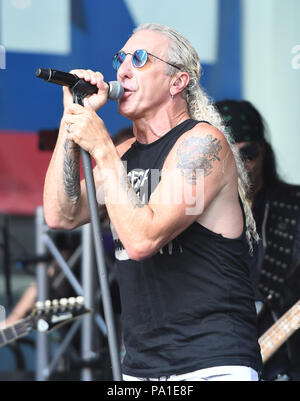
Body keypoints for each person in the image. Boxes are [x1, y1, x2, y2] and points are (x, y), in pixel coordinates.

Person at [43, 23, 262, 381]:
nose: (123, 69)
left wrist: (100, 147)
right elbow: (60, 214)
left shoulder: (201, 145)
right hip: (143, 367)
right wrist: (71, 123)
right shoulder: (124, 154)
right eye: (121, 58)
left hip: (211, 363)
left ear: (178, 82)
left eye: (141, 59)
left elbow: (142, 240)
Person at [215, 99, 300, 381]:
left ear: (264, 151)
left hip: (284, 361)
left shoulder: (294, 205)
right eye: (231, 154)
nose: (242, 165)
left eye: (248, 153)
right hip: (220, 355)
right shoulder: (200, 215)